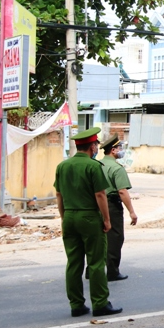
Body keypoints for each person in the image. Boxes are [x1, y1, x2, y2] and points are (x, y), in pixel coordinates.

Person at [54, 126, 122, 317]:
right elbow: (100, 194)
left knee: (74, 263)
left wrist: (63, 216)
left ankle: (76, 305)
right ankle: (100, 303)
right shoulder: (93, 166)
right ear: (92, 147)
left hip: (69, 217)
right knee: (96, 262)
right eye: (96, 145)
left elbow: (58, 194)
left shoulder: (63, 166)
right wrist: (107, 220)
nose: (96, 148)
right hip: (90, 217)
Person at [99, 134, 137, 281]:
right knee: (115, 237)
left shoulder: (97, 165)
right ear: (113, 150)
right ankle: (112, 271)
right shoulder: (117, 168)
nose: (122, 150)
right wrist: (132, 212)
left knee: (98, 237)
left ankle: (92, 269)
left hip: (97, 203)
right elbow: (122, 191)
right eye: (120, 148)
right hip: (112, 205)